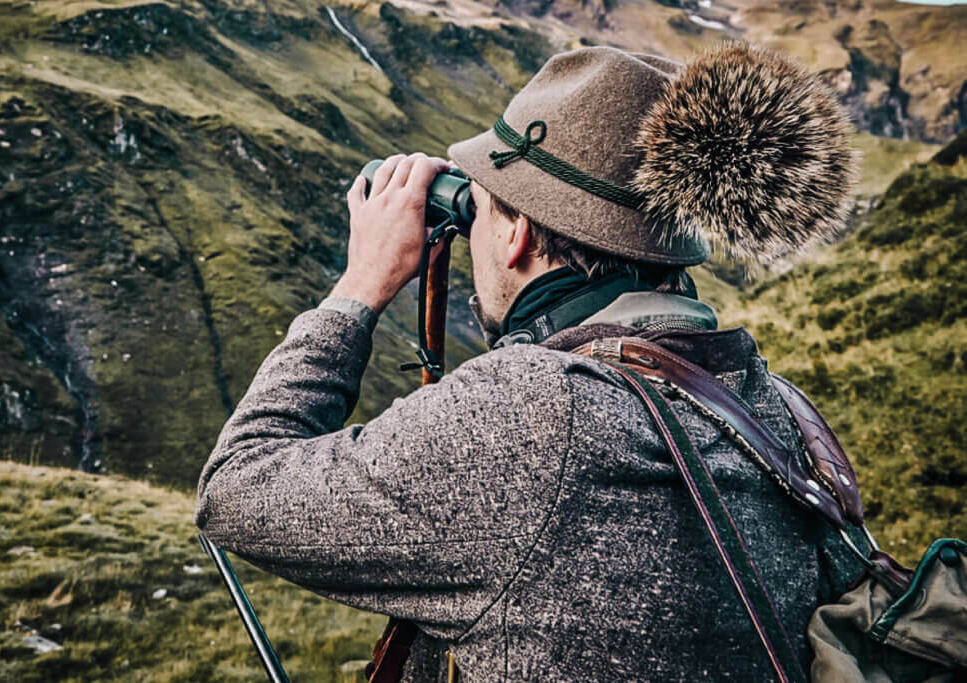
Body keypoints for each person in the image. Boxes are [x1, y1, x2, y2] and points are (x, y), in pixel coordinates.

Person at [195, 42, 864, 681]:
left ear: (516, 234)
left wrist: (359, 286)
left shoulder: (532, 413)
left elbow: (235, 488)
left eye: (481, 206)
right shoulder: (774, 406)